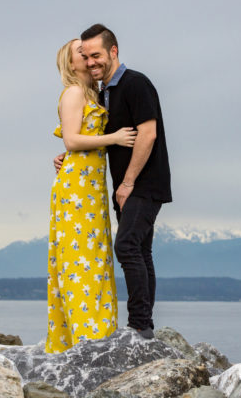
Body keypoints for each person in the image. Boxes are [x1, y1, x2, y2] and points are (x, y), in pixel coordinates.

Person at [57, 24, 171, 339]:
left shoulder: (135, 83)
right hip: (126, 186)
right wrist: (68, 158)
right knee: (142, 250)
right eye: (86, 56)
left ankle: (138, 325)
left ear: (113, 51)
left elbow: (147, 134)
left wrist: (128, 182)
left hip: (144, 183)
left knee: (126, 245)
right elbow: (99, 138)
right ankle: (145, 324)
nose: (92, 61)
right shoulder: (105, 92)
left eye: (96, 55)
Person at [46, 38, 137, 353]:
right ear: (72, 64)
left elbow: (76, 140)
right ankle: (86, 339)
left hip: (90, 188)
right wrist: (114, 137)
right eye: (80, 53)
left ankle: (97, 333)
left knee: (95, 258)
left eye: (88, 51)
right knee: (80, 260)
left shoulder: (94, 94)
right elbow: (72, 139)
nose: (87, 56)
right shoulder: (73, 93)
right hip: (76, 190)